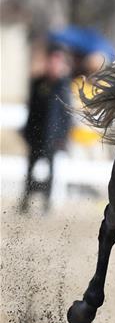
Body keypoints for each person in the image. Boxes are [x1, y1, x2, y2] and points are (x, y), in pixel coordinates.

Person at [20, 43, 72, 212]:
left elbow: (66, 116)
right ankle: (26, 201)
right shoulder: (38, 83)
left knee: (50, 171)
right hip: (36, 136)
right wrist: (27, 133)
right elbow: (31, 110)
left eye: (57, 61)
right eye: (52, 61)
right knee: (30, 170)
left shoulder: (64, 85)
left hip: (53, 138)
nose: (54, 65)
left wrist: (63, 138)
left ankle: (46, 203)